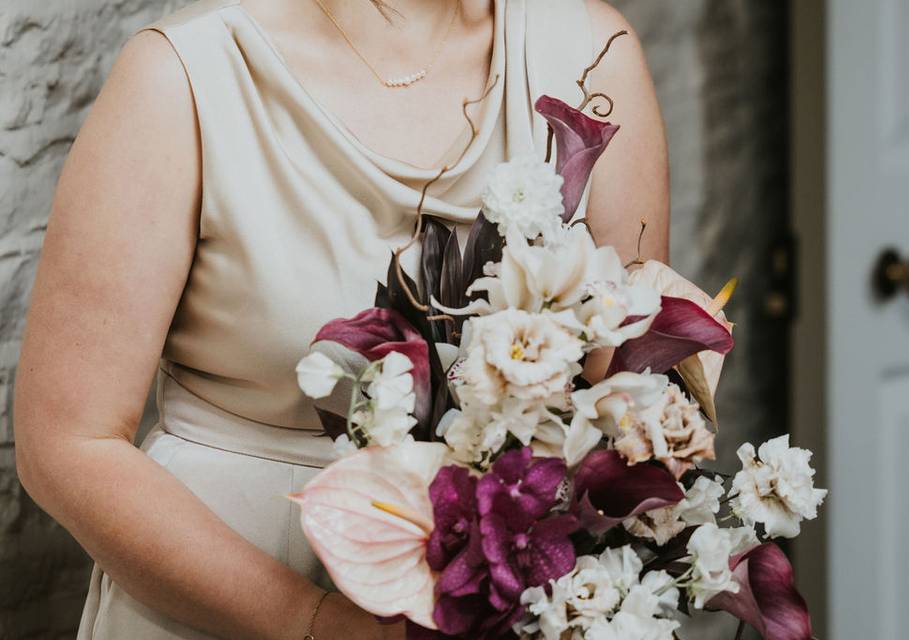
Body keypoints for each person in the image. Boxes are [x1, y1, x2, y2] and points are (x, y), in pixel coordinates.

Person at [13, 0, 668, 638]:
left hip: (511, 591)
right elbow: (68, 444)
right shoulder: (182, 77)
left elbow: (636, 391)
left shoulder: (590, 55)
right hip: (225, 596)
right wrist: (314, 622)